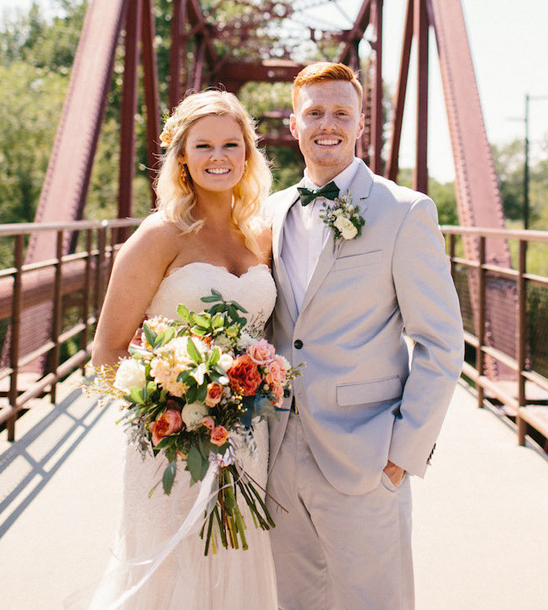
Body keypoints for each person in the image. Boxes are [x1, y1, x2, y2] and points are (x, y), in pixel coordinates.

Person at [265, 62, 464, 610]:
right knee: (294, 599)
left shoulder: (404, 212)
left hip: (366, 452)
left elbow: (442, 342)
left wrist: (404, 450)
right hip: (276, 450)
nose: (327, 124)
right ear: (293, 124)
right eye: (314, 113)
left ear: (360, 126)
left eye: (340, 113)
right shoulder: (269, 212)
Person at [89, 90, 278, 610]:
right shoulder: (160, 234)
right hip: (171, 445)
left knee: (236, 561)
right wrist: (165, 410)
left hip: (247, 437)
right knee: (172, 572)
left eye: (230, 145)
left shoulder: (262, 234)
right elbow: (106, 350)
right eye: (204, 146)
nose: (219, 157)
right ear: (182, 158)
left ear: (247, 154)